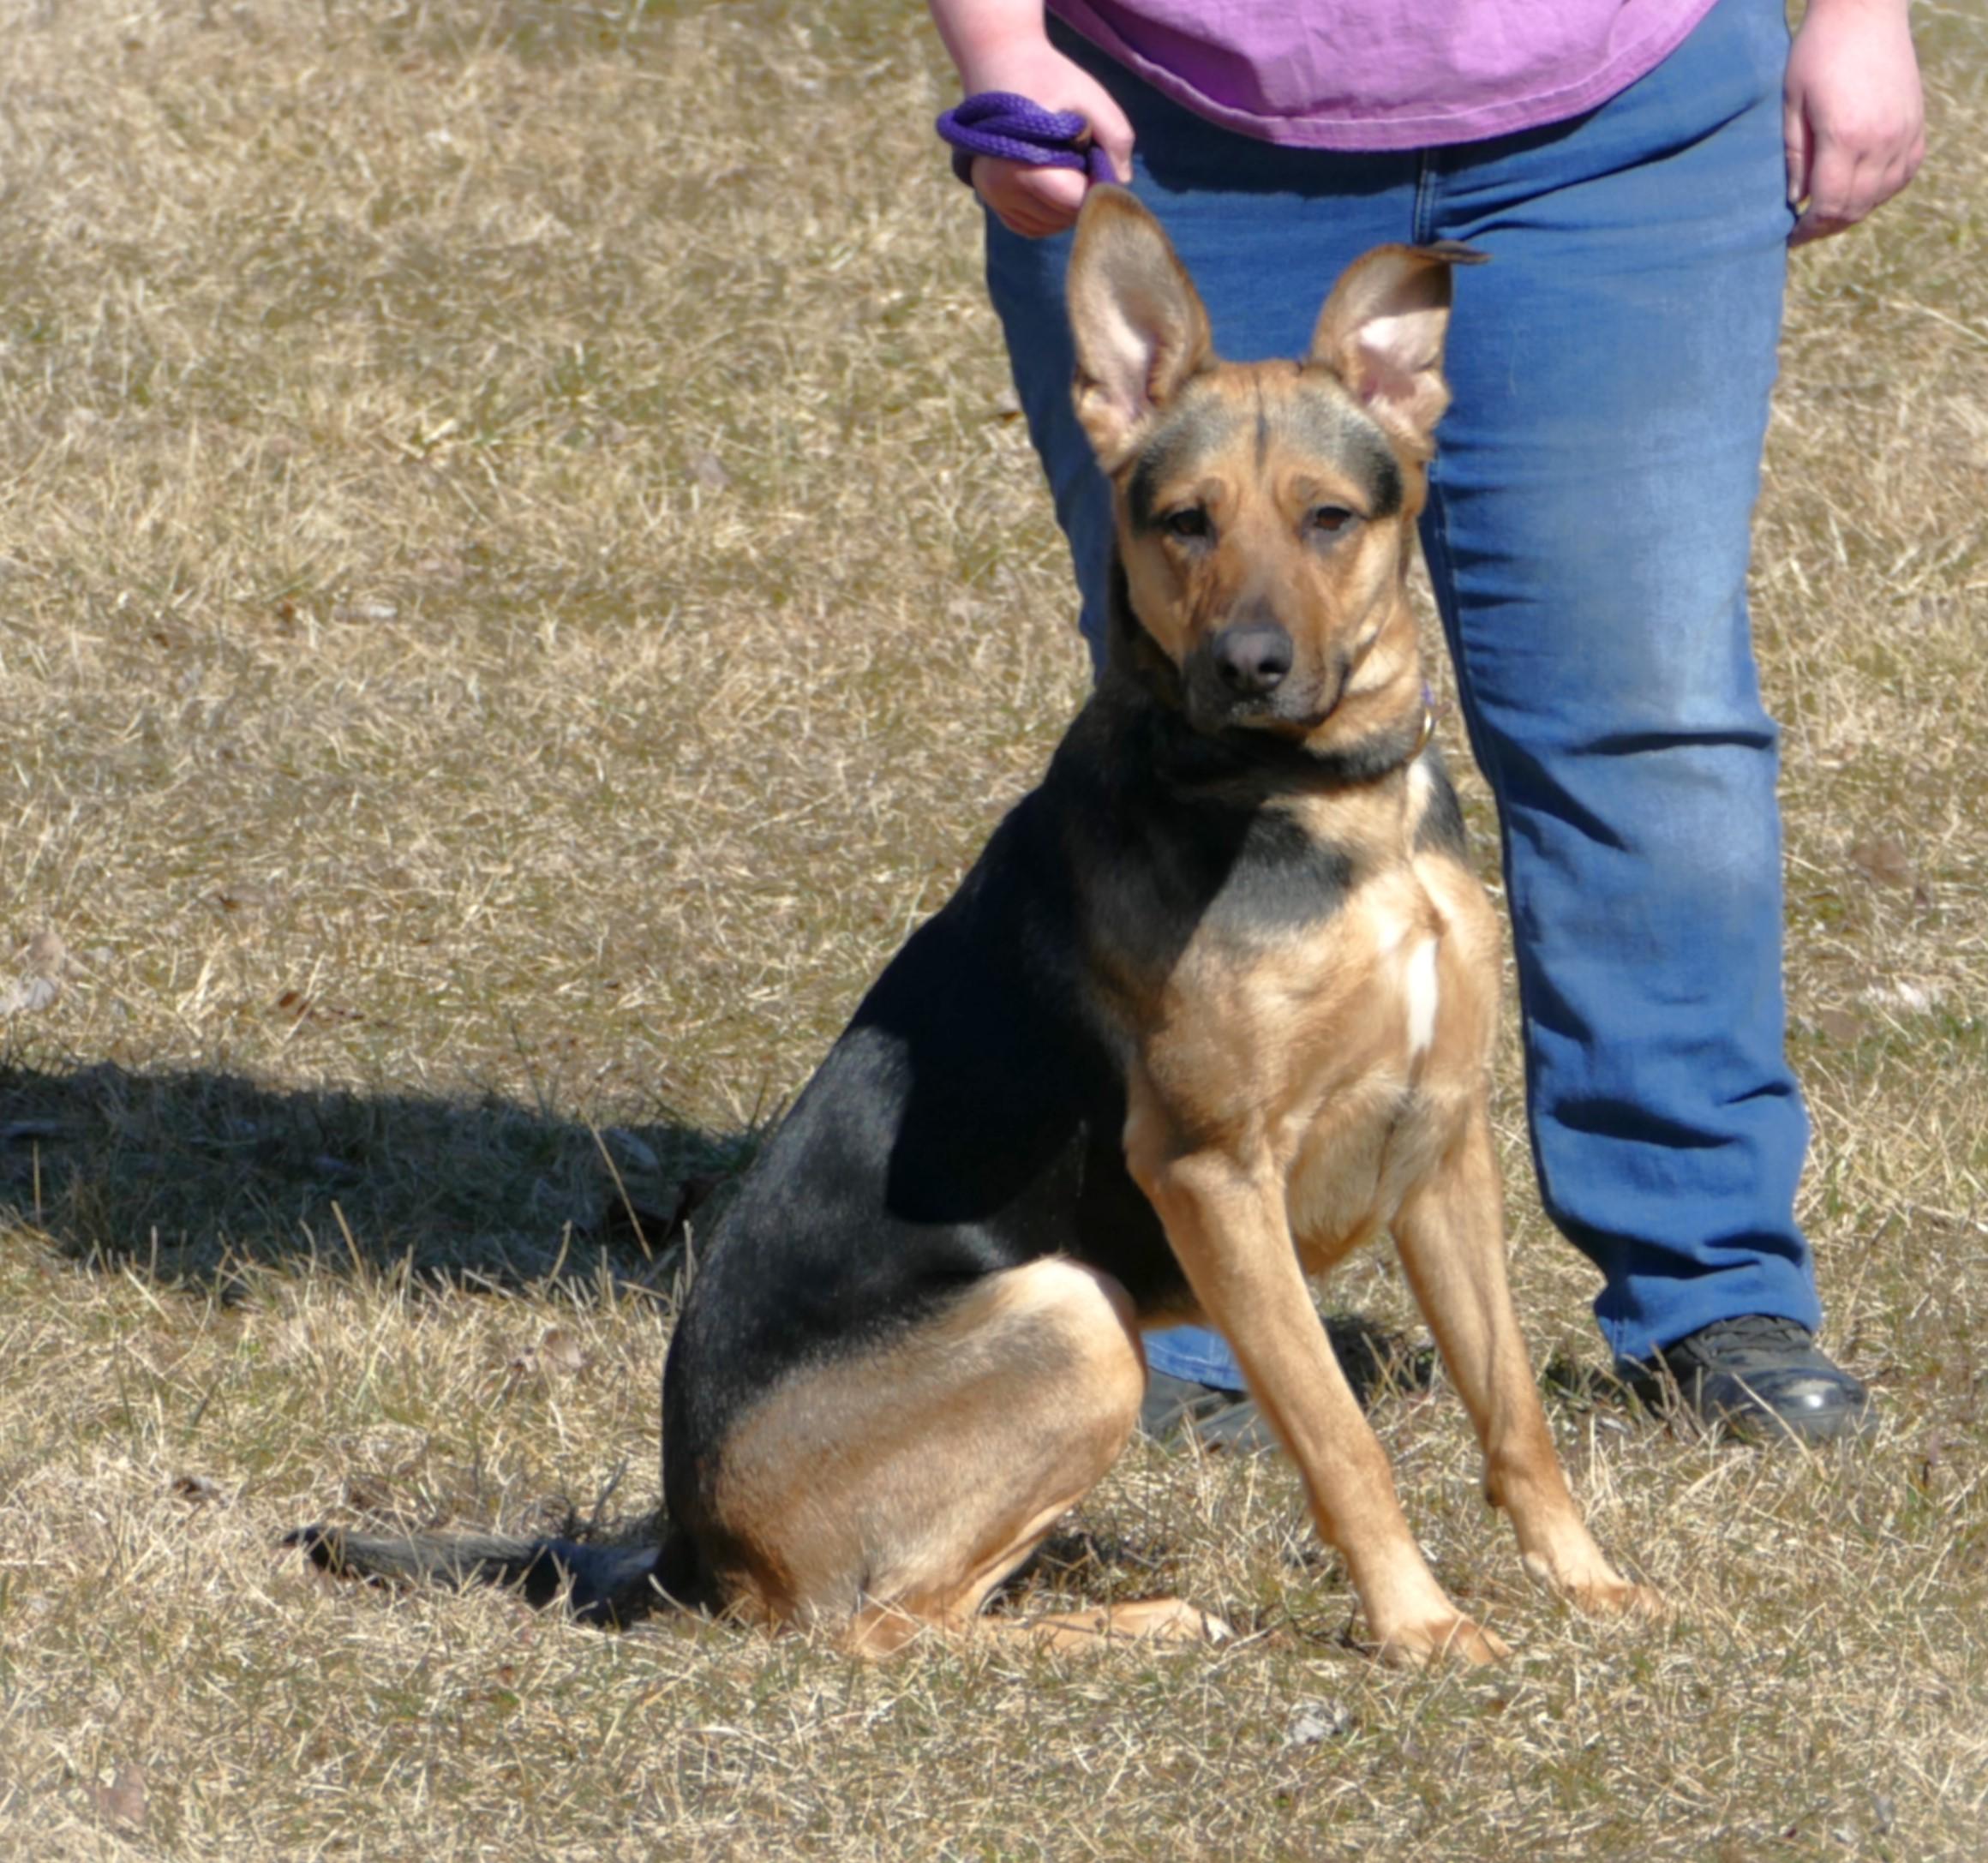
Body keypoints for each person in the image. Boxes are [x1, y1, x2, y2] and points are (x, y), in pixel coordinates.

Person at [925, 0, 1924, 1445]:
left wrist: (1861, 15)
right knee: (1194, 731)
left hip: (1623, 122)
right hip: (1178, 118)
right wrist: (1002, 48)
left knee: (1651, 725)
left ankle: (1710, 1284)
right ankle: (1187, 1302)